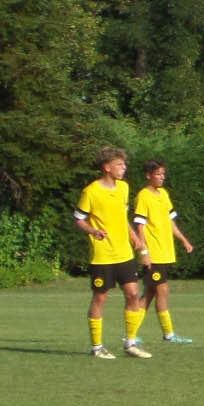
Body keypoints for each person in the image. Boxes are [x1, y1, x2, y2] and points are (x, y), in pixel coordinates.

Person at [74, 146, 151, 360]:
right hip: (102, 255)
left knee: (133, 294)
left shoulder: (124, 188)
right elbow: (79, 219)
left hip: (124, 253)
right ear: (107, 167)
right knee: (100, 298)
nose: (124, 168)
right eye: (119, 164)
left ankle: (130, 343)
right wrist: (93, 231)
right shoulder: (91, 191)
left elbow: (122, 218)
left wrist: (136, 240)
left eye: (124, 164)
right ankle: (97, 347)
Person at [133, 160, 196, 344]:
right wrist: (144, 252)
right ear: (148, 175)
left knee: (150, 293)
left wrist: (183, 240)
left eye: (163, 174)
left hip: (164, 252)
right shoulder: (143, 196)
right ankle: (168, 334)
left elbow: (170, 222)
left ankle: (132, 332)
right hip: (154, 254)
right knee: (162, 290)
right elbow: (140, 226)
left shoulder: (164, 194)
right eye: (158, 174)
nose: (162, 177)